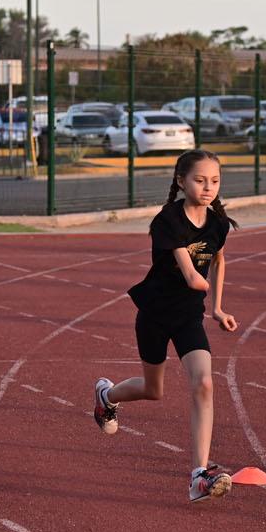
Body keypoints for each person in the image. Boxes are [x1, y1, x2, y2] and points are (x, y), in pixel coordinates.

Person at [93, 150, 240, 502]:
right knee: (152, 389)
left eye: (215, 181)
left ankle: (199, 475)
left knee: (204, 383)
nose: (208, 187)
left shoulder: (219, 224)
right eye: (200, 180)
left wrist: (217, 308)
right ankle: (106, 396)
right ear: (181, 181)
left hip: (189, 316)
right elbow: (188, 269)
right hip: (155, 314)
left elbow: (218, 260)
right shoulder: (167, 221)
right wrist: (194, 279)